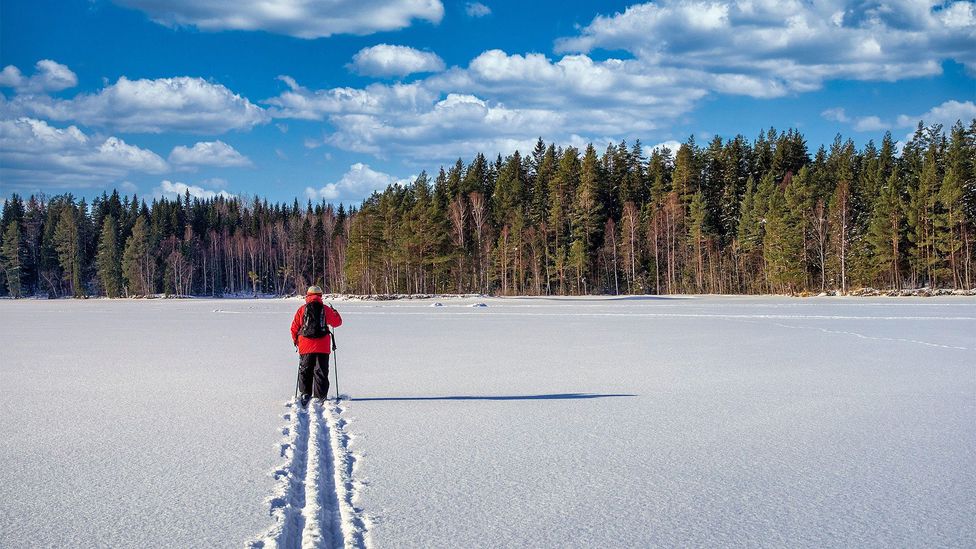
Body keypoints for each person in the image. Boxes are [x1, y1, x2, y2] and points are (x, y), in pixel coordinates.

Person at [290, 285, 342, 406]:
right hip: (323, 346)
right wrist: (335, 312)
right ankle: (320, 396)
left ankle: (305, 393)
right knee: (321, 371)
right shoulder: (325, 309)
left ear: (307, 295)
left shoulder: (302, 309)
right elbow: (337, 323)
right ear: (320, 296)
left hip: (305, 345)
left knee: (305, 370)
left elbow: (294, 328)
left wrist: (296, 341)